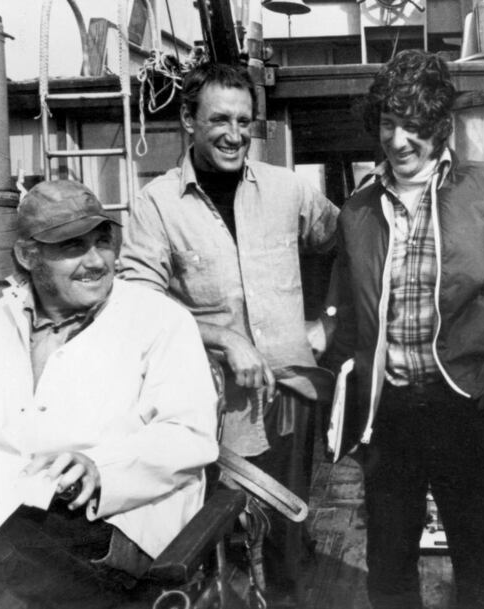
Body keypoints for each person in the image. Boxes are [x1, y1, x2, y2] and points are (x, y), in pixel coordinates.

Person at [326, 50, 484, 609]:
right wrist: (335, 398)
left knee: (478, 562)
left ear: (439, 126)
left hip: (464, 404)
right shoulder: (357, 211)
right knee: (387, 567)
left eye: (414, 123)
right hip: (387, 419)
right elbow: (346, 323)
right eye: (389, 123)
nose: (398, 140)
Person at [119, 62, 339, 603]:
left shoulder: (290, 191)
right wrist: (224, 337)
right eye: (220, 120)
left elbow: (351, 245)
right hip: (211, 412)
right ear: (187, 121)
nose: (235, 135)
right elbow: (136, 306)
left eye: (245, 121)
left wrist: (327, 323)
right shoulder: (156, 206)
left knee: (288, 532)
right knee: (216, 544)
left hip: (290, 397)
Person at [0, 180, 219, 609]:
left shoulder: (159, 319)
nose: (96, 261)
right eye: (73, 247)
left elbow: (188, 433)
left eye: (103, 242)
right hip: (13, 515)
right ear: (28, 255)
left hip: (115, 522)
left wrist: (100, 468)